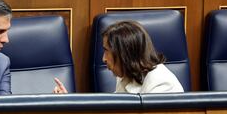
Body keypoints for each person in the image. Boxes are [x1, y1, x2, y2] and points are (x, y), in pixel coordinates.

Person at [54, 20, 184, 94]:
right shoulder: (126, 76)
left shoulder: (161, 84)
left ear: (124, 54)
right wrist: (68, 102)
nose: (103, 59)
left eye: (106, 51)